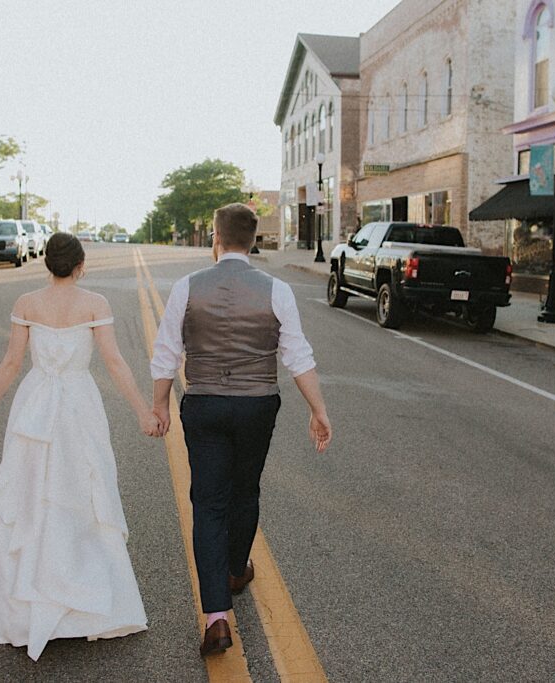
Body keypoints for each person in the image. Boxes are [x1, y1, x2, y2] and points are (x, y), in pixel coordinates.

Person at [0, 232, 158, 660]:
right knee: (82, 493)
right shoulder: (95, 304)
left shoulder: (27, 303)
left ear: (47, 264)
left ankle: (28, 600)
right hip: (78, 406)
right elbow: (114, 362)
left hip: (34, 407)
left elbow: (12, 362)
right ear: (81, 265)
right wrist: (145, 411)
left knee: (32, 495)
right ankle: (83, 602)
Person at [150, 202, 332, 657]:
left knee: (208, 503)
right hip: (256, 406)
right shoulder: (277, 289)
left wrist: (159, 404)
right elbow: (297, 356)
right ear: (254, 241)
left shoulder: (187, 287)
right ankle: (235, 569)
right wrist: (319, 410)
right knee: (246, 490)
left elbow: (166, 352)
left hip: (205, 403)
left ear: (216, 237)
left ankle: (216, 618)